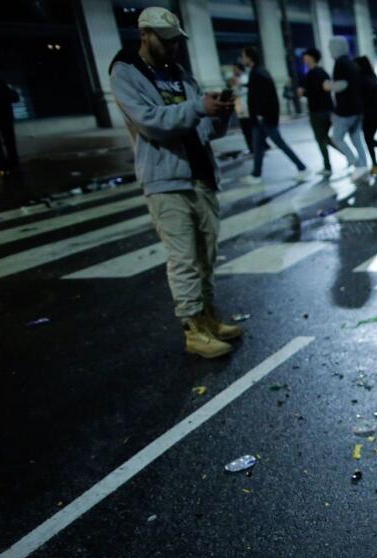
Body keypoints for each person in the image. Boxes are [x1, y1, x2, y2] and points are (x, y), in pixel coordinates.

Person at [110, 7, 241, 358]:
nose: (172, 48)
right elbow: (151, 122)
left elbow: (201, 127)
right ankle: (193, 329)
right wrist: (199, 107)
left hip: (200, 175)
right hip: (166, 179)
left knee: (206, 256)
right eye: (166, 42)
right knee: (183, 258)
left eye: (176, 41)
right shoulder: (127, 72)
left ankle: (210, 318)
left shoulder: (179, 73)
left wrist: (220, 115)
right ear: (145, 35)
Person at [241, 45, 307, 183]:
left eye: (243, 56)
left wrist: (261, 114)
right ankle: (256, 174)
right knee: (257, 147)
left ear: (249, 57)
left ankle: (302, 167)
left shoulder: (258, 73)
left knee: (278, 143)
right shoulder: (258, 71)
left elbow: (263, 96)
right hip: (261, 118)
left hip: (263, 118)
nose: (242, 59)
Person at [325, 36, 367, 174]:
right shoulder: (350, 63)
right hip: (357, 108)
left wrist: (328, 85)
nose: (330, 50)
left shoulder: (340, 63)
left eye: (331, 47)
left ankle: (357, 164)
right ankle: (363, 165)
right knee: (356, 140)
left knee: (337, 138)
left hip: (346, 110)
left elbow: (343, 85)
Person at [298, 48, 342, 176]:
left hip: (317, 111)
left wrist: (303, 92)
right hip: (328, 109)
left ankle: (327, 166)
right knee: (326, 138)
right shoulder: (323, 72)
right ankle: (348, 156)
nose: (304, 59)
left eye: (305, 56)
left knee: (321, 139)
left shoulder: (312, 74)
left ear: (311, 57)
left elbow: (314, 92)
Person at [0, 62, 20, 176]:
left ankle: (7, 168)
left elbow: (14, 97)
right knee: (1, 144)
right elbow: (14, 97)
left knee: (1, 144)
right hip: (0, 118)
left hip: (1, 118)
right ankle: (8, 168)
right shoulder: (0, 81)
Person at [229, 62, 253, 153]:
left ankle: (254, 147)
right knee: (246, 129)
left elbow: (240, 92)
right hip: (240, 107)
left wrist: (235, 86)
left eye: (235, 69)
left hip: (246, 108)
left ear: (239, 69)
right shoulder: (237, 79)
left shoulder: (244, 79)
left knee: (249, 129)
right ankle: (252, 147)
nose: (234, 71)